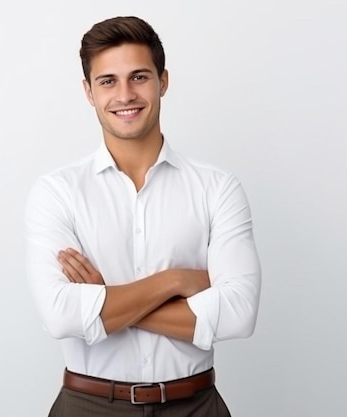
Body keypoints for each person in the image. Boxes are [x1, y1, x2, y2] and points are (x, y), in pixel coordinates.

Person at [24, 15, 262, 417]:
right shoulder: (57, 193)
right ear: (88, 92)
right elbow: (61, 315)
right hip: (88, 406)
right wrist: (175, 281)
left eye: (139, 77)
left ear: (162, 81)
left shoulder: (217, 188)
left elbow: (239, 316)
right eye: (108, 81)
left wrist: (105, 301)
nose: (124, 94)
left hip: (196, 406)